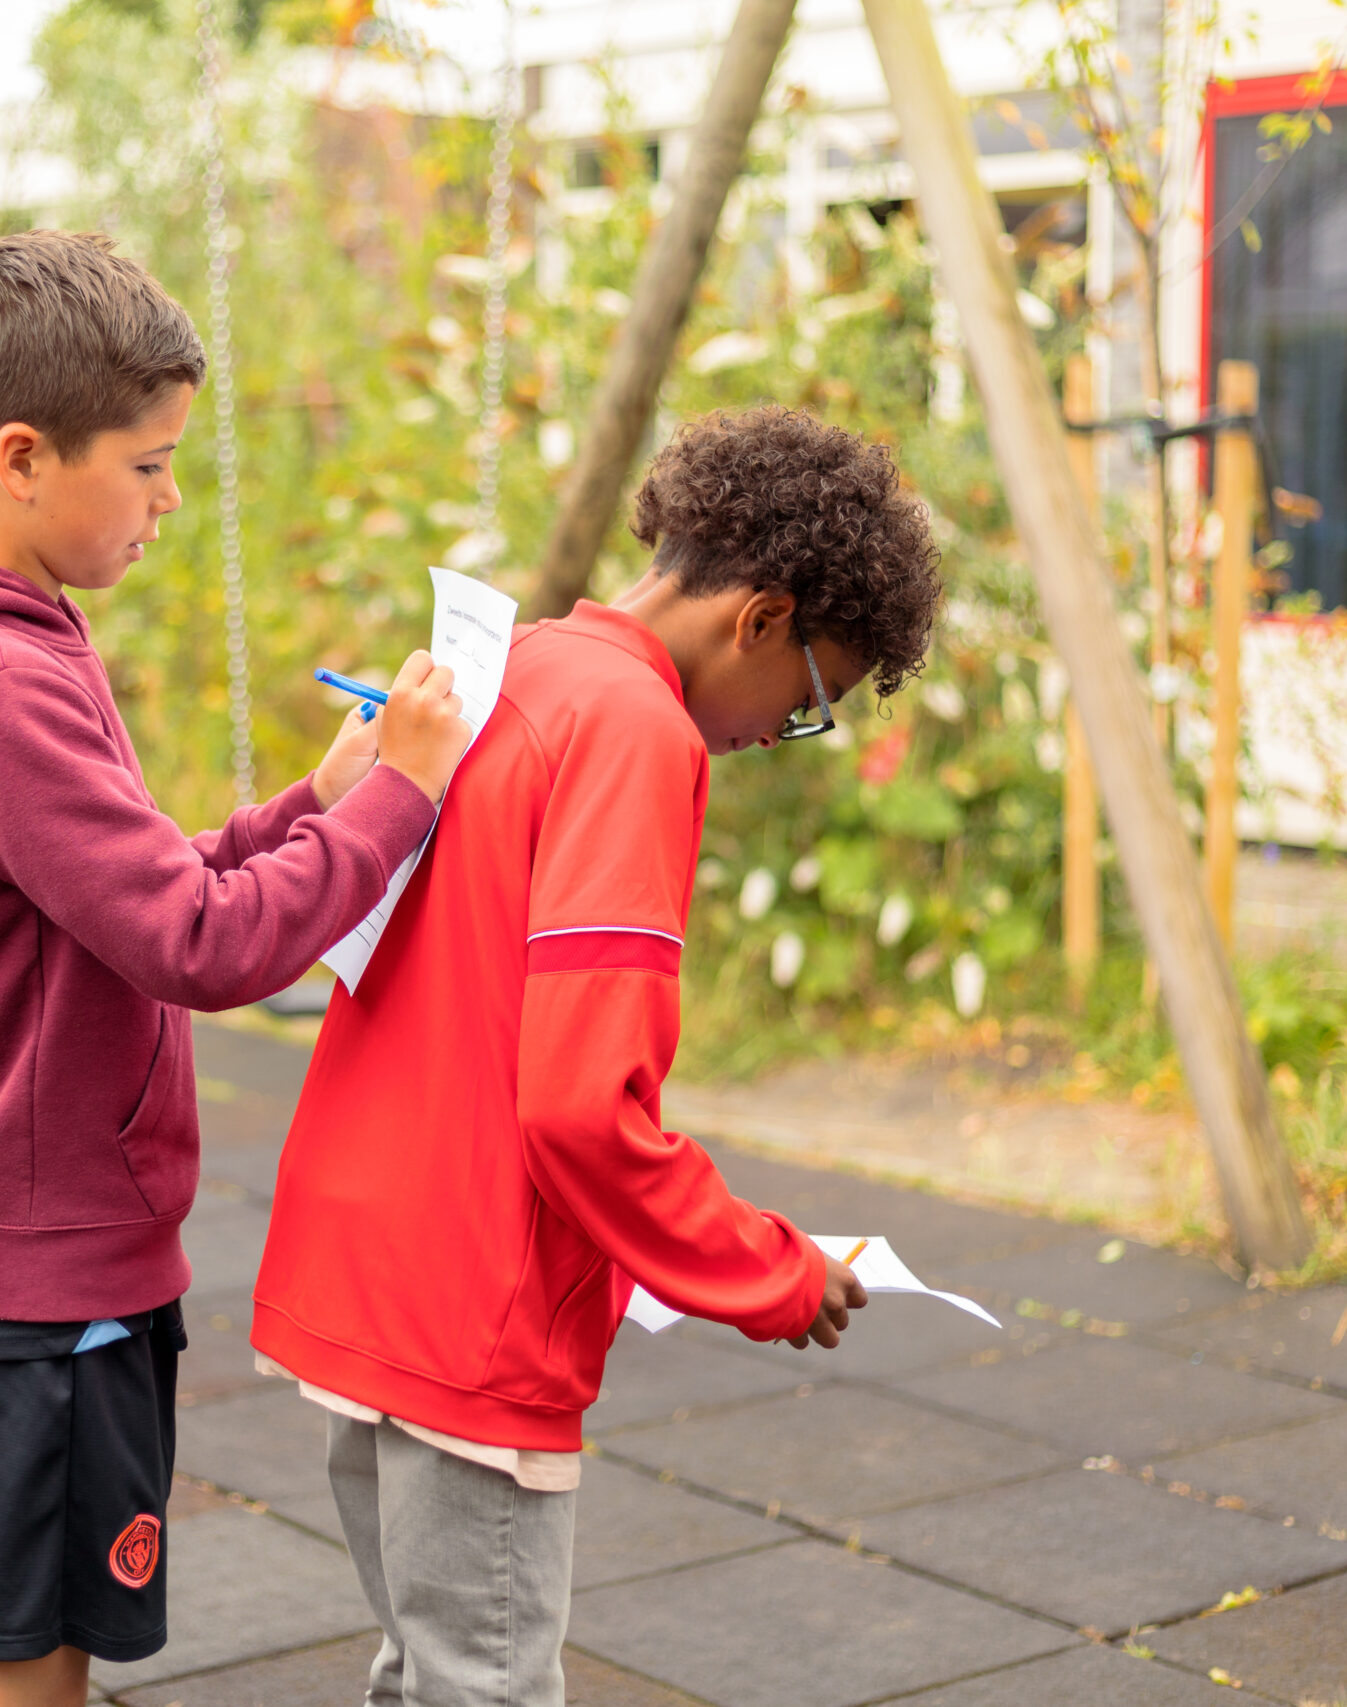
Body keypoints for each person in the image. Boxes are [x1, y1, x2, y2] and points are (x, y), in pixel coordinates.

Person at [0, 228, 472, 1707]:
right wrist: (402, 803)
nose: (174, 501)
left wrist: (315, 804)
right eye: (152, 463)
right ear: (26, 456)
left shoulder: (18, 644)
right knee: (21, 1670)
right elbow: (198, 942)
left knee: (37, 1649)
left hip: (34, 1253)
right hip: (37, 1273)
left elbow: (136, 881)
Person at [251, 404, 946, 1707]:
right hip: (475, 1309)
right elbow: (579, 1107)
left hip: (359, 1268)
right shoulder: (636, 731)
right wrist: (769, 1271)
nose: (779, 736)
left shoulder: (508, 667)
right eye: (811, 701)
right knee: (485, 1687)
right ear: (761, 618)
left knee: (419, 1674)